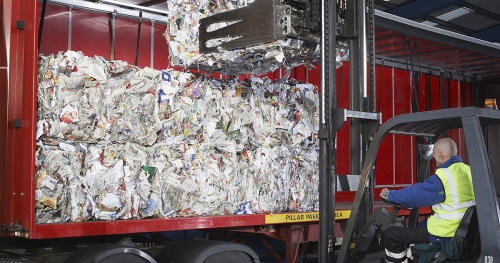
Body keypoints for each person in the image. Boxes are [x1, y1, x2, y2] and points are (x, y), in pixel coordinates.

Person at [380, 138, 475, 263]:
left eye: (434, 154)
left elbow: (414, 195)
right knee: (419, 226)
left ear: (441, 154)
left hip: (445, 233)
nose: (433, 158)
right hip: (464, 230)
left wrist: (390, 195)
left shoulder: (444, 176)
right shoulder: (468, 170)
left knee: (391, 235)